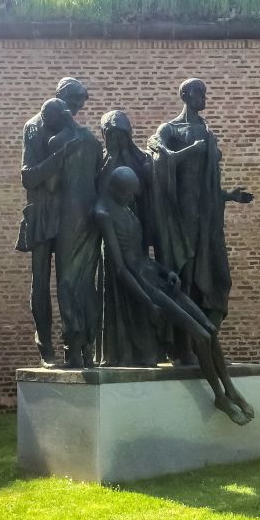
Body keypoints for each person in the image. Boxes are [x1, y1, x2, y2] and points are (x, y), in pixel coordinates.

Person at [95, 166, 254, 425]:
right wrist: (147, 301)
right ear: (118, 190)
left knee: (210, 330)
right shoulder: (103, 214)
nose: (133, 198)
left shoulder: (126, 209)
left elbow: (141, 256)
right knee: (201, 335)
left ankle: (230, 388)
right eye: (129, 193)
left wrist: (165, 271)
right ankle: (219, 396)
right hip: (144, 284)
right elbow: (121, 268)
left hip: (155, 275)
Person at [147, 78, 253, 365]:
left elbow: (207, 183)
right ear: (185, 95)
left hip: (205, 216)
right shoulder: (169, 129)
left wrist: (229, 196)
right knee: (184, 277)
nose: (204, 98)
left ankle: (203, 340)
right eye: (199, 93)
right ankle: (182, 347)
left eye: (205, 93)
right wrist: (191, 151)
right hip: (178, 216)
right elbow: (159, 162)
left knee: (216, 277)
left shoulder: (207, 131)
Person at [15, 78, 101, 367]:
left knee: (71, 279)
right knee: (41, 280)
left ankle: (76, 345)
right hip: (42, 209)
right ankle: (45, 346)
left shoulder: (75, 132)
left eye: (80, 105)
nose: (76, 109)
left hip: (68, 214)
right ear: (60, 97)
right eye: (74, 102)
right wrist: (60, 155)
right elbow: (29, 177)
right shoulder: (34, 126)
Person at [96, 111, 159, 367]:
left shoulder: (141, 159)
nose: (118, 140)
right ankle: (116, 352)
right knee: (114, 292)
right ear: (105, 135)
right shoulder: (101, 162)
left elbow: (147, 194)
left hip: (135, 233)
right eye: (111, 135)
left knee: (141, 286)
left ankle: (146, 349)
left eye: (122, 135)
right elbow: (97, 195)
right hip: (112, 237)